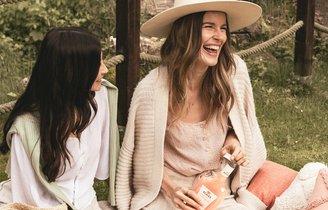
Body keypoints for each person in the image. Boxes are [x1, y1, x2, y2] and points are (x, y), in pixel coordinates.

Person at [115, 0, 268, 209]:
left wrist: (234, 141)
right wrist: (173, 190)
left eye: (223, 28)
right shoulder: (152, 89)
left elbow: (242, 126)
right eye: (209, 27)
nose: (220, 36)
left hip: (218, 188)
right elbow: (144, 160)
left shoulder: (233, 72)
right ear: (185, 32)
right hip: (170, 193)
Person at [0, 27, 120, 210]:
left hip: (87, 203)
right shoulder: (25, 128)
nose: (104, 69)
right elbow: (28, 202)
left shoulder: (100, 98)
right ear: (73, 71)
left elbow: (102, 168)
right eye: (97, 63)